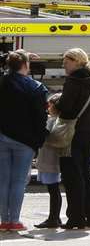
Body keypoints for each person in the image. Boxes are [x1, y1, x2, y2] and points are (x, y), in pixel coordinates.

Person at [0, 50, 48, 231]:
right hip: (25, 141)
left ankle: (4, 220)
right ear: (26, 66)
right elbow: (40, 118)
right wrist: (39, 139)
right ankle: (15, 220)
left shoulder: (2, 82)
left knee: (3, 180)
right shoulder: (36, 88)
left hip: (2, 137)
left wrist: (16, 55)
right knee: (19, 181)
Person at [57, 48, 90, 230]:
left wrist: (56, 104)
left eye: (66, 62)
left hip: (73, 133)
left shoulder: (73, 81)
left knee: (72, 176)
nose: (63, 66)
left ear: (76, 62)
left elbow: (66, 107)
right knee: (84, 173)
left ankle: (76, 218)